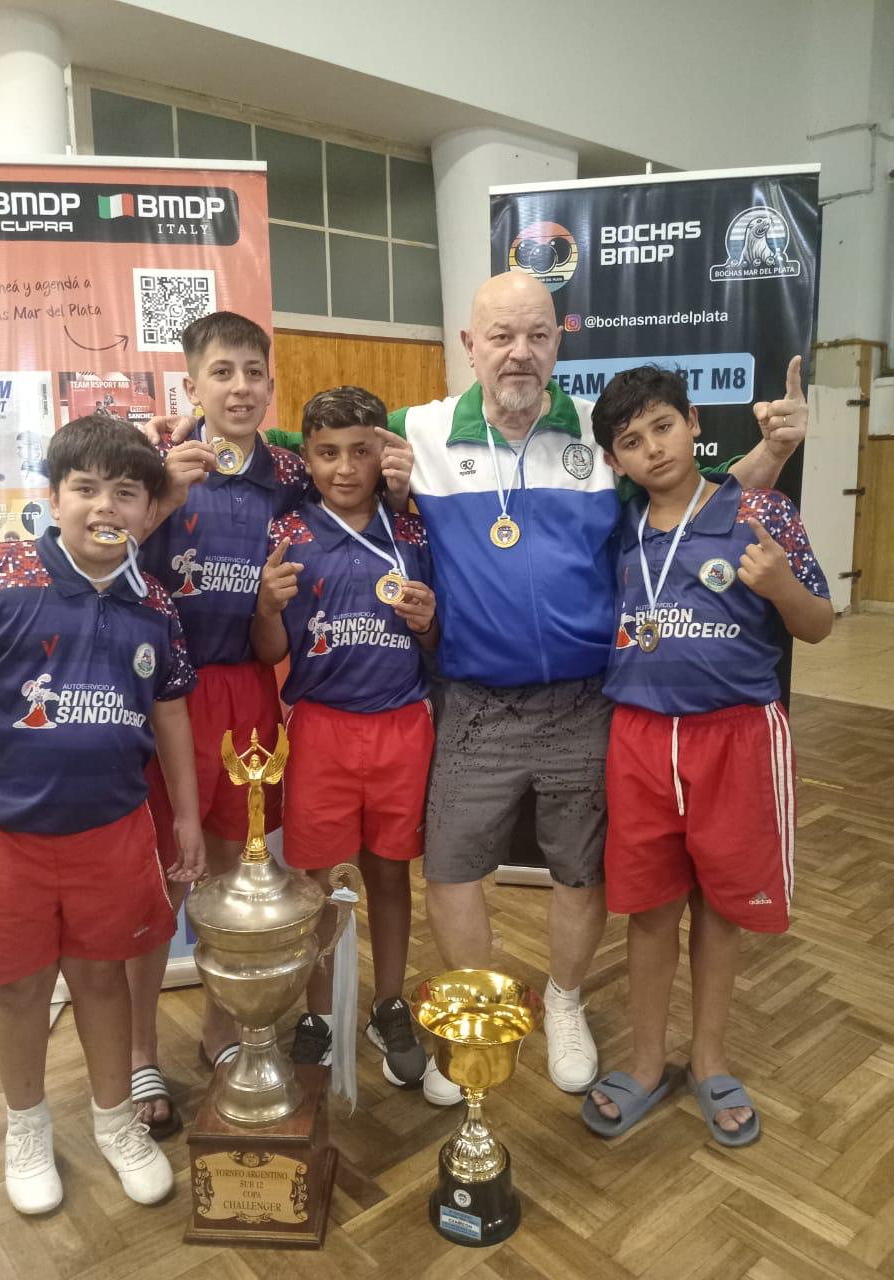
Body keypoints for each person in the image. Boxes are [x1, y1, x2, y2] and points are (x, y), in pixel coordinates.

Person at [152, 271, 808, 1107]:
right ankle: (471, 1012)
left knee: (578, 871)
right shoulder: (416, 430)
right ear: (470, 346)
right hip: (472, 702)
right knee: (453, 869)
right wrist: (192, 432)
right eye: (501, 336)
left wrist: (774, 451)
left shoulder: (602, 438)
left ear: (558, 341)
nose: (519, 353)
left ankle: (563, 1000)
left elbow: (692, 495)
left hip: (584, 700)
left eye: (536, 334)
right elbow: (303, 440)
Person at [131, 314, 415, 1131]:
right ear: (192, 384)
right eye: (222, 372)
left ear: (270, 384)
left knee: (237, 868)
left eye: (254, 372)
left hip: (249, 689)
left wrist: (402, 484)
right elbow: (103, 550)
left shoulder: (289, 474)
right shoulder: (155, 469)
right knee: (163, 877)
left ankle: (226, 1026)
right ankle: (142, 1055)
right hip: (164, 698)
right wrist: (158, 493)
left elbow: (349, 475)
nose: (240, 388)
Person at [0, 416, 204, 1214]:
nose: (104, 507)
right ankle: (26, 1128)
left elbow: (171, 712)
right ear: (54, 499)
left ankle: (115, 1121)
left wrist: (187, 817)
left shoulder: (155, 602)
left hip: (112, 830)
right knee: (20, 988)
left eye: (125, 493)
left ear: (148, 510)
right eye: (85, 488)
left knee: (101, 979)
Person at [581, 366, 832, 1144]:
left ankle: (711, 1060)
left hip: (737, 737)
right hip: (639, 738)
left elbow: (818, 624)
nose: (653, 449)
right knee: (651, 907)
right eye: (631, 441)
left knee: (721, 908)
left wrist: (782, 586)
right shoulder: (618, 525)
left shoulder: (761, 511)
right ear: (615, 461)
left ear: (693, 422)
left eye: (663, 426)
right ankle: (646, 1062)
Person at [251, 386, 435, 1086]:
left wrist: (427, 623)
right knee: (320, 881)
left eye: (361, 451)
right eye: (328, 453)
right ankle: (320, 1015)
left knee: (389, 871)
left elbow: (437, 642)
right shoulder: (288, 531)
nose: (346, 468)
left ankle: (388, 1003)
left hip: (402, 724)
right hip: (320, 727)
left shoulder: (413, 532)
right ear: (308, 456)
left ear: (383, 453)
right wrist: (266, 608)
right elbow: (270, 651)